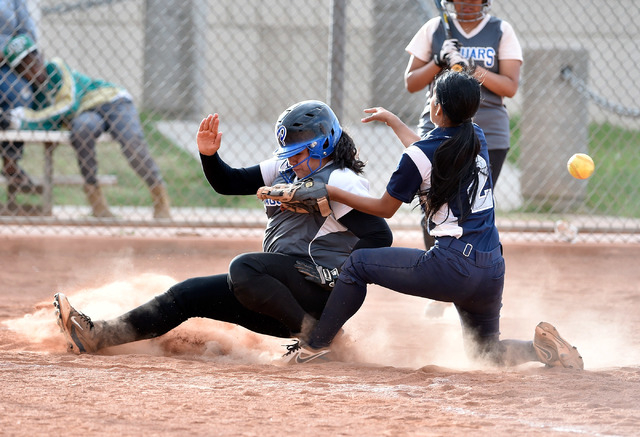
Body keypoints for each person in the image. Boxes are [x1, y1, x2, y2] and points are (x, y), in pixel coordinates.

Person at [277, 71, 583, 370]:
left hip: (453, 267)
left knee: (358, 265)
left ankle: (314, 347)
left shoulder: (424, 153)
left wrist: (330, 190)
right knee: (486, 353)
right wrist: (394, 121)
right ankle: (542, 350)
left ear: (438, 108)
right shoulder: (474, 135)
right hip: (491, 268)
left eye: (433, 97)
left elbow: (385, 208)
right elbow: (426, 152)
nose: (430, 102)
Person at [52, 100, 393, 356]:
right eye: (288, 153)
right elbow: (228, 183)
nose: (291, 161)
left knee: (243, 267)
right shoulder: (286, 169)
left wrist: (340, 275)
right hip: (280, 292)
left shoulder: (339, 180)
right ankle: (99, 336)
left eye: (299, 153)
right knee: (188, 294)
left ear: (323, 144)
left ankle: (314, 339)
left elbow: (380, 235)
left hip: (321, 293)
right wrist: (209, 156)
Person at [0, 34, 170, 218]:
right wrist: (21, 120)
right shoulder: (36, 94)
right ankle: (97, 202)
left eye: (34, 59)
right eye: (24, 66)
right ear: (18, 73)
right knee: (81, 130)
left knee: (131, 142)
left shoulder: (55, 67)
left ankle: (159, 195)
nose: (33, 68)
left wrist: (22, 119)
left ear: (41, 55)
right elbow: (48, 122)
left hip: (111, 100)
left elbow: (68, 104)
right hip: (85, 114)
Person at [404, 0, 522, 249]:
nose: (466, 4)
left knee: (474, 207)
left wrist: (473, 68)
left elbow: (510, 87)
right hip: (439, 127)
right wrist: (438, 60)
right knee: (433, 203)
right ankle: (438, 268)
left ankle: (469, 268)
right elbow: (411, 83)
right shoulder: (434, 28)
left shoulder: (501, 30)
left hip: (487, 128)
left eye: (472, 0)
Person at [0, 0, 38, 191]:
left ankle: (11, 162)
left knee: (19, 93)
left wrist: (10, 52)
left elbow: (27, 31)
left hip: (7, 61)